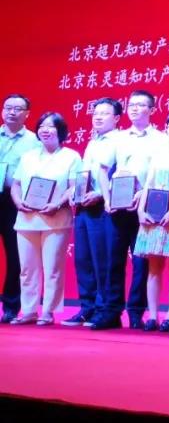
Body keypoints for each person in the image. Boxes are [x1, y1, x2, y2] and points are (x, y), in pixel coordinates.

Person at [100, 90, 169, 330]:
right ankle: (111, 311)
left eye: (141, 105)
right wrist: (107, 199)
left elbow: (159, 173)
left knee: (142, 263)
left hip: (145, 208)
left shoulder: (161, 139)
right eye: (132, 105)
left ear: (151, 110)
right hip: (118, 207)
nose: (135, 109)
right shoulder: (118, 138)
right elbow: (103, 169)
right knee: (114, 261)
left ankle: (136, 312)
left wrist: (144, 194)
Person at [9, 112, 79, 325]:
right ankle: (29, 311)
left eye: (51, 126)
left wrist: (57, 203)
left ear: (61, 130)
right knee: (27, 269)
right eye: (41, 126)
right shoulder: (28, 156)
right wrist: (18, 202)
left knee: (53, 269)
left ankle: (48, 311)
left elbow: (74, 186)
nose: (45, 130)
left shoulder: (71, 156)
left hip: (55, 218)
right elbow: (16, 185)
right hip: (26, 218)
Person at [65, 98, 119, 327]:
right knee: (83, 259)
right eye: (95, 113)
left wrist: (100, 194)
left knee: (101, 260)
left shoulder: (119, 141)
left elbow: (120, 175)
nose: (98, 117)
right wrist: (74, 192)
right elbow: (85, 174)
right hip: (83, 206)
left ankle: (103, 308)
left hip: (102, 206)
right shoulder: (93, 141)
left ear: (116, 118)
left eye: (104, 113)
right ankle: (86, 307)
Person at [133, 112, 169, 332]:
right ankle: (153, 316)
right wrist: (140, 210)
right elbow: (148, 183)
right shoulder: (159, 152)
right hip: (153, 212)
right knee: (153, 269)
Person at [0, 94, 42, 324]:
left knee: (16, 256)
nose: (11, 112)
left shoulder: (34, 142)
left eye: (17, 109)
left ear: (27, 114)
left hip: (14, 201)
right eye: (8, 107)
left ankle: (10, 306)